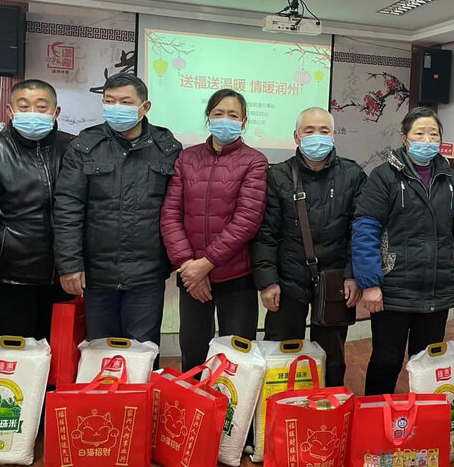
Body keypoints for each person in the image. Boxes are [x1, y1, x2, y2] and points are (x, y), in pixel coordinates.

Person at [352, 106, 454, 395]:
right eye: (420, 133)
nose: (427, 140)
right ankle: (376, 415)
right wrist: (370, 283)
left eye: (433, 134)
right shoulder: (384, 176)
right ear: (404, 138)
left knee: (427, 363)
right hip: (394, 287)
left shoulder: (450, 178)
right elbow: (365, 229)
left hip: (437, 286)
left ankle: (423, 418)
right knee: (386, 361)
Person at [53, 73, 181, 347]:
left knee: (143, 353)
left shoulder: (167, 148)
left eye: (125, 102)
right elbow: (67, 208)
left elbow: (176, 210)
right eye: (110, 101)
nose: (116, 107)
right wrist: (70, 265)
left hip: (147, 273)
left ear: (145, 107)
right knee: (101, 354)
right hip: (98, 273)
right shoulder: (85, 146)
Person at [252, 107, 366, 387]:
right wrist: (267, 281)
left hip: (335, 280)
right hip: (288, 281)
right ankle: (280, 409)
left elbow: (359, 231)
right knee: (280, 356)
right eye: (309, 131)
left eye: (324, 131)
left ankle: (330, 409)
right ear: (296, 136)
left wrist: (353, 274)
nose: (317, 137)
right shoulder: (278, 175)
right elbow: (266, 233)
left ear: (333, 135)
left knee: (332, 359)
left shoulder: (352, 175)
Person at [161, 89, 267, 371]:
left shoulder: (254, 160)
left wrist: (205, 264)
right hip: (191, 276)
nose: (225, 120)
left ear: (243, 121)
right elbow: (170, 213)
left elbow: (247, 219)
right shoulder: (186, 158)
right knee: (193, 354)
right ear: (208, 116)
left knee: (237, 360)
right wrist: (188, 265)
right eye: (219, 113)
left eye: (233, 115)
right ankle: (194, 400)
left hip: (237, 276)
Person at [0, 80, 73, 339]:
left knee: (60, 356)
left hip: (64, 276)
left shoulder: (74, 149)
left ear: (56, 112)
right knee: (14, 356)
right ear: (10, 111)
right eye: (24, 106)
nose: (32, 113)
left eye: (41, 107)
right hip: (10, 277)